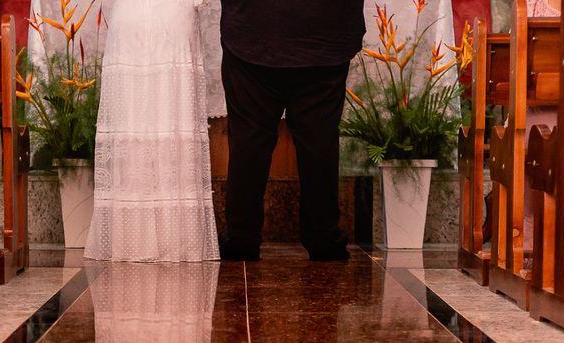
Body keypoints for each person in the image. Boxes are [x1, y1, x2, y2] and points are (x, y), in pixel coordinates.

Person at [217, 0, 364, 262]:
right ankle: (323, 236)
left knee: (249, 139)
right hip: (325, 28)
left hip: (253, 24)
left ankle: (241, 237)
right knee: (319, 141)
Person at [84, 0, 219, 263]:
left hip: (133, 18)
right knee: (170, 119)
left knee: (135, 122)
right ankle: (177, 241)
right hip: (170, 19)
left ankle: (132, 241)